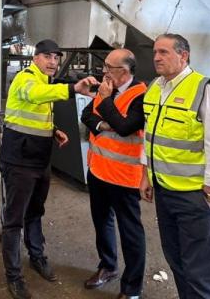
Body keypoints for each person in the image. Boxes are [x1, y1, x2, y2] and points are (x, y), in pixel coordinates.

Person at [140, 34, 210, 299]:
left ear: (184, 55)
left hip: (196, 196)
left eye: (164, 52)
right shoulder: (155, 87)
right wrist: (146, 174)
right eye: (155, 52)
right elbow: (149, 135)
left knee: (199, 267)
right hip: (165, 190)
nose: (157, 57)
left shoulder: (204, 89)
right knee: (176, 258)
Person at [1, 39, 97, 299]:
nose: (53, 62)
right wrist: (73, 89)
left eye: (56, 57)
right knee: (14, 219)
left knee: (36, 211)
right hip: (19, 159)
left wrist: (53, 130)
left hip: (40, 158)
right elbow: (34, 95)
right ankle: (14, 276)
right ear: (36, 58)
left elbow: (31, 112)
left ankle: (36, 256)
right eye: (48, 57)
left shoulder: (45, 81)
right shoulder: (25, 78)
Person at [80, 48, 148, 299]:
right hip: (98, 171)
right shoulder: (106, 88)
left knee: (131, 232)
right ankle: (108, 266)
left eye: (109, 67)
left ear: (125, 71)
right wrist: (104, 124)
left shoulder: (142, 95)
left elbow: (126, 127)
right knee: (102, 222)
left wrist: (107, 103)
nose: (104, 71)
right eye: (105, 66)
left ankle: (131, 289)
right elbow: (86, 114)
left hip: (124, 177)